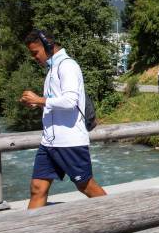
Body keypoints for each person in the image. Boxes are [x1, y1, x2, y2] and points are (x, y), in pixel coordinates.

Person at [19, 30, 107, 209]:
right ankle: (31, 232)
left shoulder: (67, 66)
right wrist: (38, 104)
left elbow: (70, 101)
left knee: (86, 186)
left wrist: (38, 99)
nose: (34, 57)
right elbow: (56, 102)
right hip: (49, 142)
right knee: (37, 188)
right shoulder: (52, 69)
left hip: (69, 141)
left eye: (35, 52)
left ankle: (119, 217)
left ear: (48, 46)